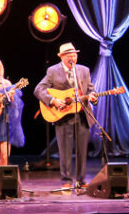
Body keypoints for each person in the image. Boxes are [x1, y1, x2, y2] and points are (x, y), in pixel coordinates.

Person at [34, 42, 97, 188]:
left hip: (82, 115)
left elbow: (90, 90)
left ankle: (81, 180)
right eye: (69, 55)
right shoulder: (52, 71)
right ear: (62, 57)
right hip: (63, 116)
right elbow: (39, 89)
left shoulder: (84, 70)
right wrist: (53, 100)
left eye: (74, 55)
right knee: (65, 150)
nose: (73, 58)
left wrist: (93, 97)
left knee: (82, 150)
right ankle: (66, 180)